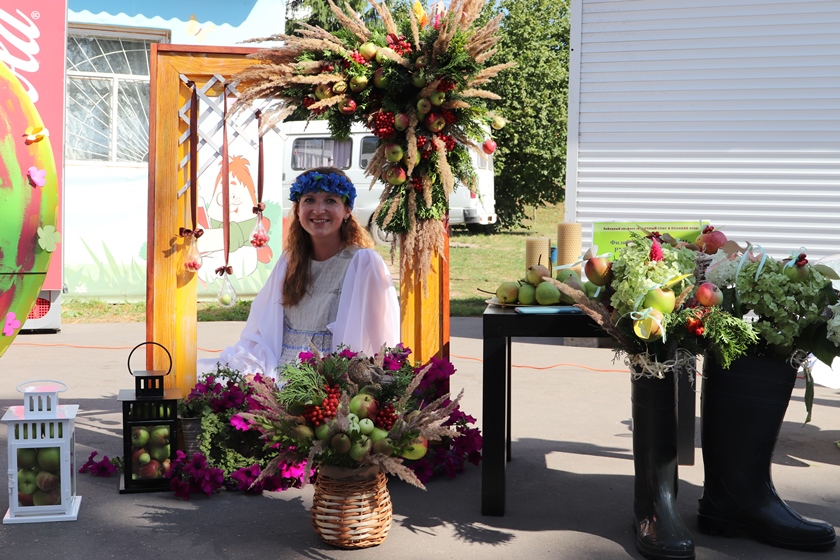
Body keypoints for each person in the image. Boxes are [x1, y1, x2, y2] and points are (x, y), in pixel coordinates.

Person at [198, 166, 400, 380]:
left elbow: (382, 338)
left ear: (347, 210)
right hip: (279, 377)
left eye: (331, 200)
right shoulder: (289, 261)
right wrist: (254, 374)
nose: (319, 210)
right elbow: (261, 329)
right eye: (309, 200)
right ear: (297, 209)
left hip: (333, 382)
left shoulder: (363, 262)